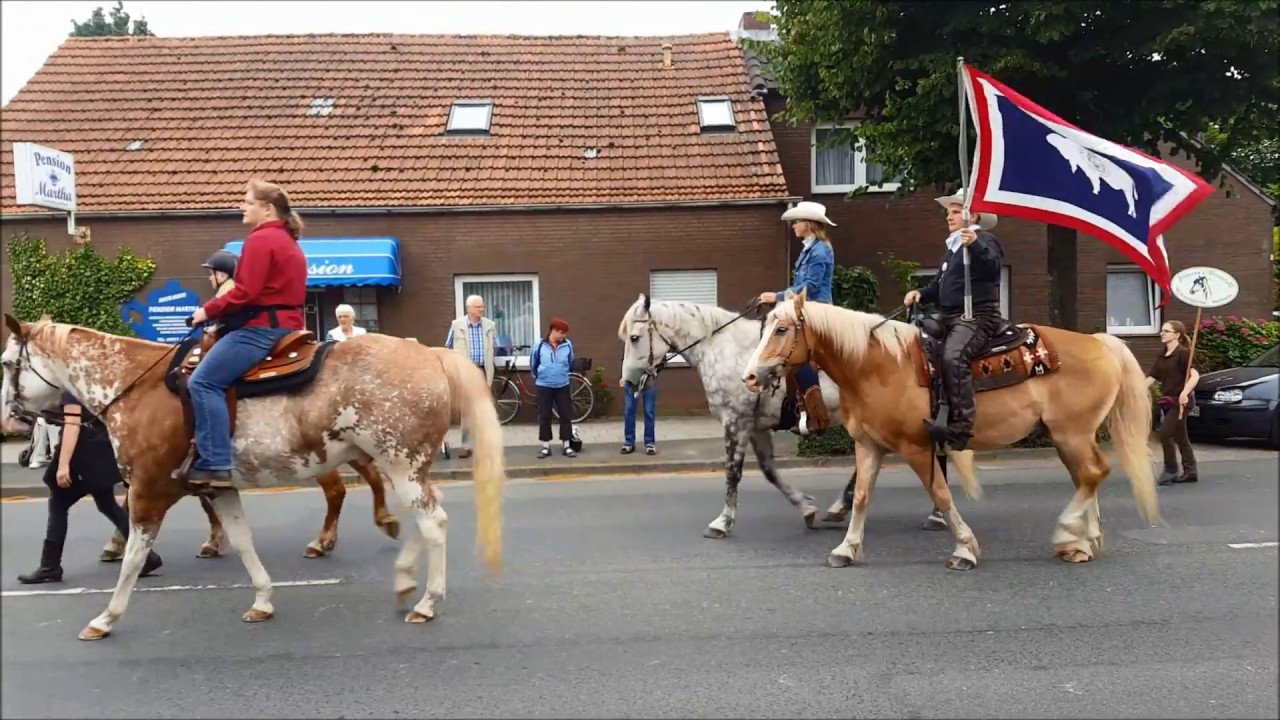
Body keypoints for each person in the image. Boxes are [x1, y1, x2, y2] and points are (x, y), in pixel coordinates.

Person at [183, 179, 308, 488]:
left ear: (266, 209)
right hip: (287, 323)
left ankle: (215, 462)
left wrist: (206, 311)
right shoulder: (288, 241)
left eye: (248, 202)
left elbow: (245, 292)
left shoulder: (260, 240)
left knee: (203, 381)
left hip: (262, 328)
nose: (242, 206)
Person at [17, 392, 162, 584]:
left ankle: (49, 566)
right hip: (102, 448)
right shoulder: (96, 384)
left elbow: (72, 425)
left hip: (82, 452)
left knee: (58, 506)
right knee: (107, 504)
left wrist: (63, 465)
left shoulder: (71, 388)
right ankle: (147, 556)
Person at [904, 189, 1004, 451]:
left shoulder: (986, 240)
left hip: (978, 317)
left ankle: (961, 426)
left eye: (956, 211)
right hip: (950, 316)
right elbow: (938, 286)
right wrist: (920, 294)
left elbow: (993, 269)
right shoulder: (952, 250)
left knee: (953, 357)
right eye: (949, 212)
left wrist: (977, 245)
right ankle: (936, 408)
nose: (949, 217)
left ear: (974, 216)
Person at [757, 200, 837, 436]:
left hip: (817, 310)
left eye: (797, 221)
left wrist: (778, 296)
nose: (793, 226)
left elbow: (810, 286)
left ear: (809, 224)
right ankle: (791, 407)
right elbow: (801, 285)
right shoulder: (809, 248)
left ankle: (815, 412)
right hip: (805, 307)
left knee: (798, 355)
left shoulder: (820, 250)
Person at [1146, 320, 1200, 485]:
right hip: (1168, 401)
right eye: (1162, 330)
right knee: (1181, 437)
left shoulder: (1184, 353)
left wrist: (1185, 393)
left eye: (1166, 331)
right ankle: (1190, 471)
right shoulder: (1162, 355)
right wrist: (1136, 391)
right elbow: (1152, 377)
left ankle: (1170, 469)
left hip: (1181, 402)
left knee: (1165, 433)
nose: (1162, 333)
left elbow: (1195, 375)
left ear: (1177, 335)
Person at [444, 294, 497, 459]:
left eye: (482, 307)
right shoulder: (457, 325)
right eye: (478, 307)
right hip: (465, 372)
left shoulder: (490, 325)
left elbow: (493, 346)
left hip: (482, 370)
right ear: (469, 309)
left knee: (483, 409)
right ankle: (466, 445)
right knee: (467, 411)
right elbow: (448, 347)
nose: (481, 309)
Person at [529, 317, 576, 459]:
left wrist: (562, 373)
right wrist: (541, 376)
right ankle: (545, 446)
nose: (564, 335)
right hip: (544, 385)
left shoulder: (568, 345)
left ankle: (567, 445)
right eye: (561, 332)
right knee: (544, 416)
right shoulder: (539, 345)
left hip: (562, 384)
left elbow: (570, 361)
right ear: (553, 331)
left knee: (565, 415)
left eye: (565, 333)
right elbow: (533, 363)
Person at [619, 372, 657, 455]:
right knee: (629, 410)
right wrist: (624, 376)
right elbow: (626, 360)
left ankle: (650, 443)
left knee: (649, 411)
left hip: (648, 379)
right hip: (631, 380)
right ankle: (629, 442)